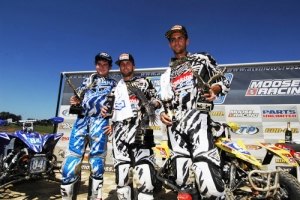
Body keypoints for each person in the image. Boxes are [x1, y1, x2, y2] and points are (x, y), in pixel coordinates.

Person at [159, 25, 230, 200]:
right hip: (175, 128)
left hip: (199, 121)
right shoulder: (167, 73)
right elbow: (163, 100)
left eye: (180, 38)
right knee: (182, 182)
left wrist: (214, 89)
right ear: (169, 44)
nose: (176, 41)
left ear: (187, 40)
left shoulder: (202, 58)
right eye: (172, 39)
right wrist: (162, 113)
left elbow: (222, 80)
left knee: (208, 177)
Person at [101, 53, 161, 200]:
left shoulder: (144, 82)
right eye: (122, 64)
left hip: (140, 132)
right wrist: (110, 120)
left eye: (128, 63)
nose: (125, 66)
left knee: (145, 178)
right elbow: (113, 111)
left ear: (133, 65)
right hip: (120, 135)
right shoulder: (116, 88)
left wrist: (150, 105)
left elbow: (157, 100)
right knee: (122, 180)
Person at [60, 52, 117, 200]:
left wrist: (114, 123)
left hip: (100, 123)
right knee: (69, 167)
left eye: (105, 64)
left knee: (97, 166)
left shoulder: (114, 84)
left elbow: (119, 107)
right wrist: (75, 101)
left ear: (110, 67)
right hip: (81, 122)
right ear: (96, 65)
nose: (102, 67)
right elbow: (78, 99)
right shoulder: (87, 81)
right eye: (99, 64)